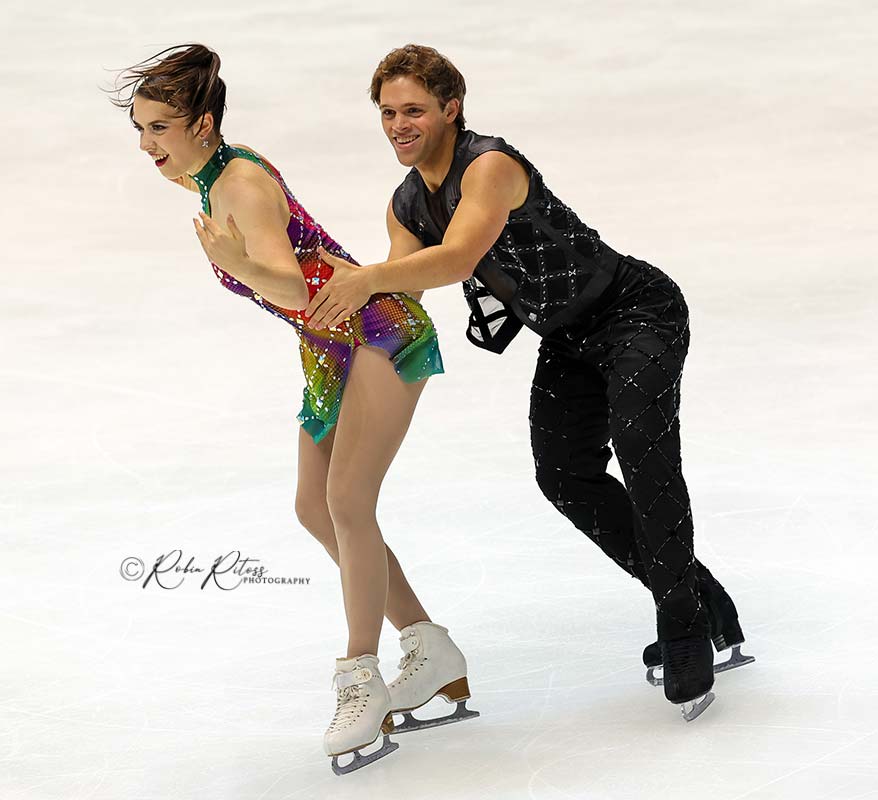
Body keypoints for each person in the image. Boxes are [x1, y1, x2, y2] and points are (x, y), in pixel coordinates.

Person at [307, 43, 755, 722]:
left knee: (644, 454)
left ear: (451, 108)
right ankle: (697, 594)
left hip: (636, 312)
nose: (399, 125)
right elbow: (407, 292)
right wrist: (313, 300)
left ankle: (683, 624)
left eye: (414, 110)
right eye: (388, 113)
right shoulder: (406, 205)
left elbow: (458, 258)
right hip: (568, 339)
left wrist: (365, 279)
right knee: (564, 475)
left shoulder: (489, 165)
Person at [109, 43, 478, 775]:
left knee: (347, 501)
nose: (146, 144)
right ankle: (428, 647)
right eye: (140, 129)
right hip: (329, 343)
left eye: (159, 128)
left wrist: (240, 265)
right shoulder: (209, 177)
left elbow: (288, 286)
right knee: (315, 506)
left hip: (377, 330)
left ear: (203, 124)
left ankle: (360, 677)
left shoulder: (240, 184)